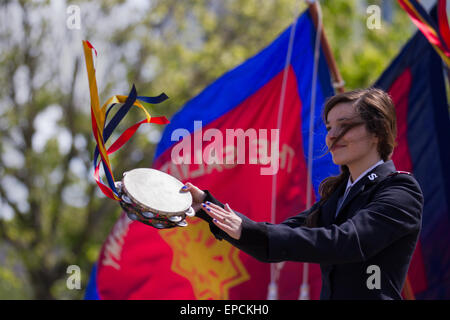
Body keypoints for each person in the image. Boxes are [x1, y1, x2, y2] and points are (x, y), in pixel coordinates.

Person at [181, 88, 424, 300]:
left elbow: (347, 241)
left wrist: (247, 229)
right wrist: (205, 205)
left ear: (377, 132)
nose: (331, 135)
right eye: (329, 127)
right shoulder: (337, 197)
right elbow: (274, 241)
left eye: (345, 125)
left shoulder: (401, 190)